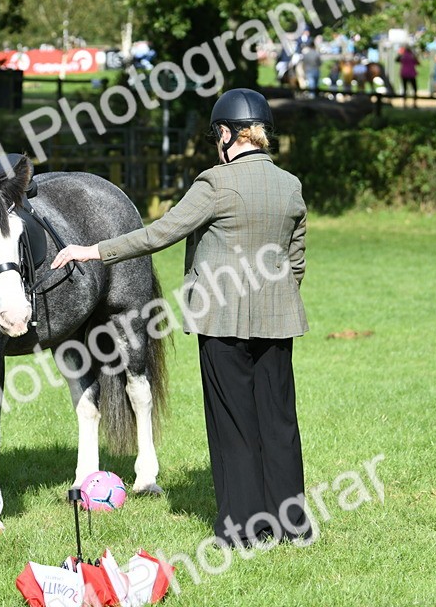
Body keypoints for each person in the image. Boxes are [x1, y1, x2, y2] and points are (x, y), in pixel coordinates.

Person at [51, 89, 310, 547]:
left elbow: (160, 233)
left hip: (221, 320)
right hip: (279, 318)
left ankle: (243, 529)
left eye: (218, 135)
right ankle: (293, 525)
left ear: (228, 134)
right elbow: (296, 258)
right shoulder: (290, 185)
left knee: (233, 423)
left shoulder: (215, 182)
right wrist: (278, 299)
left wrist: (94, 250)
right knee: (278, 421)